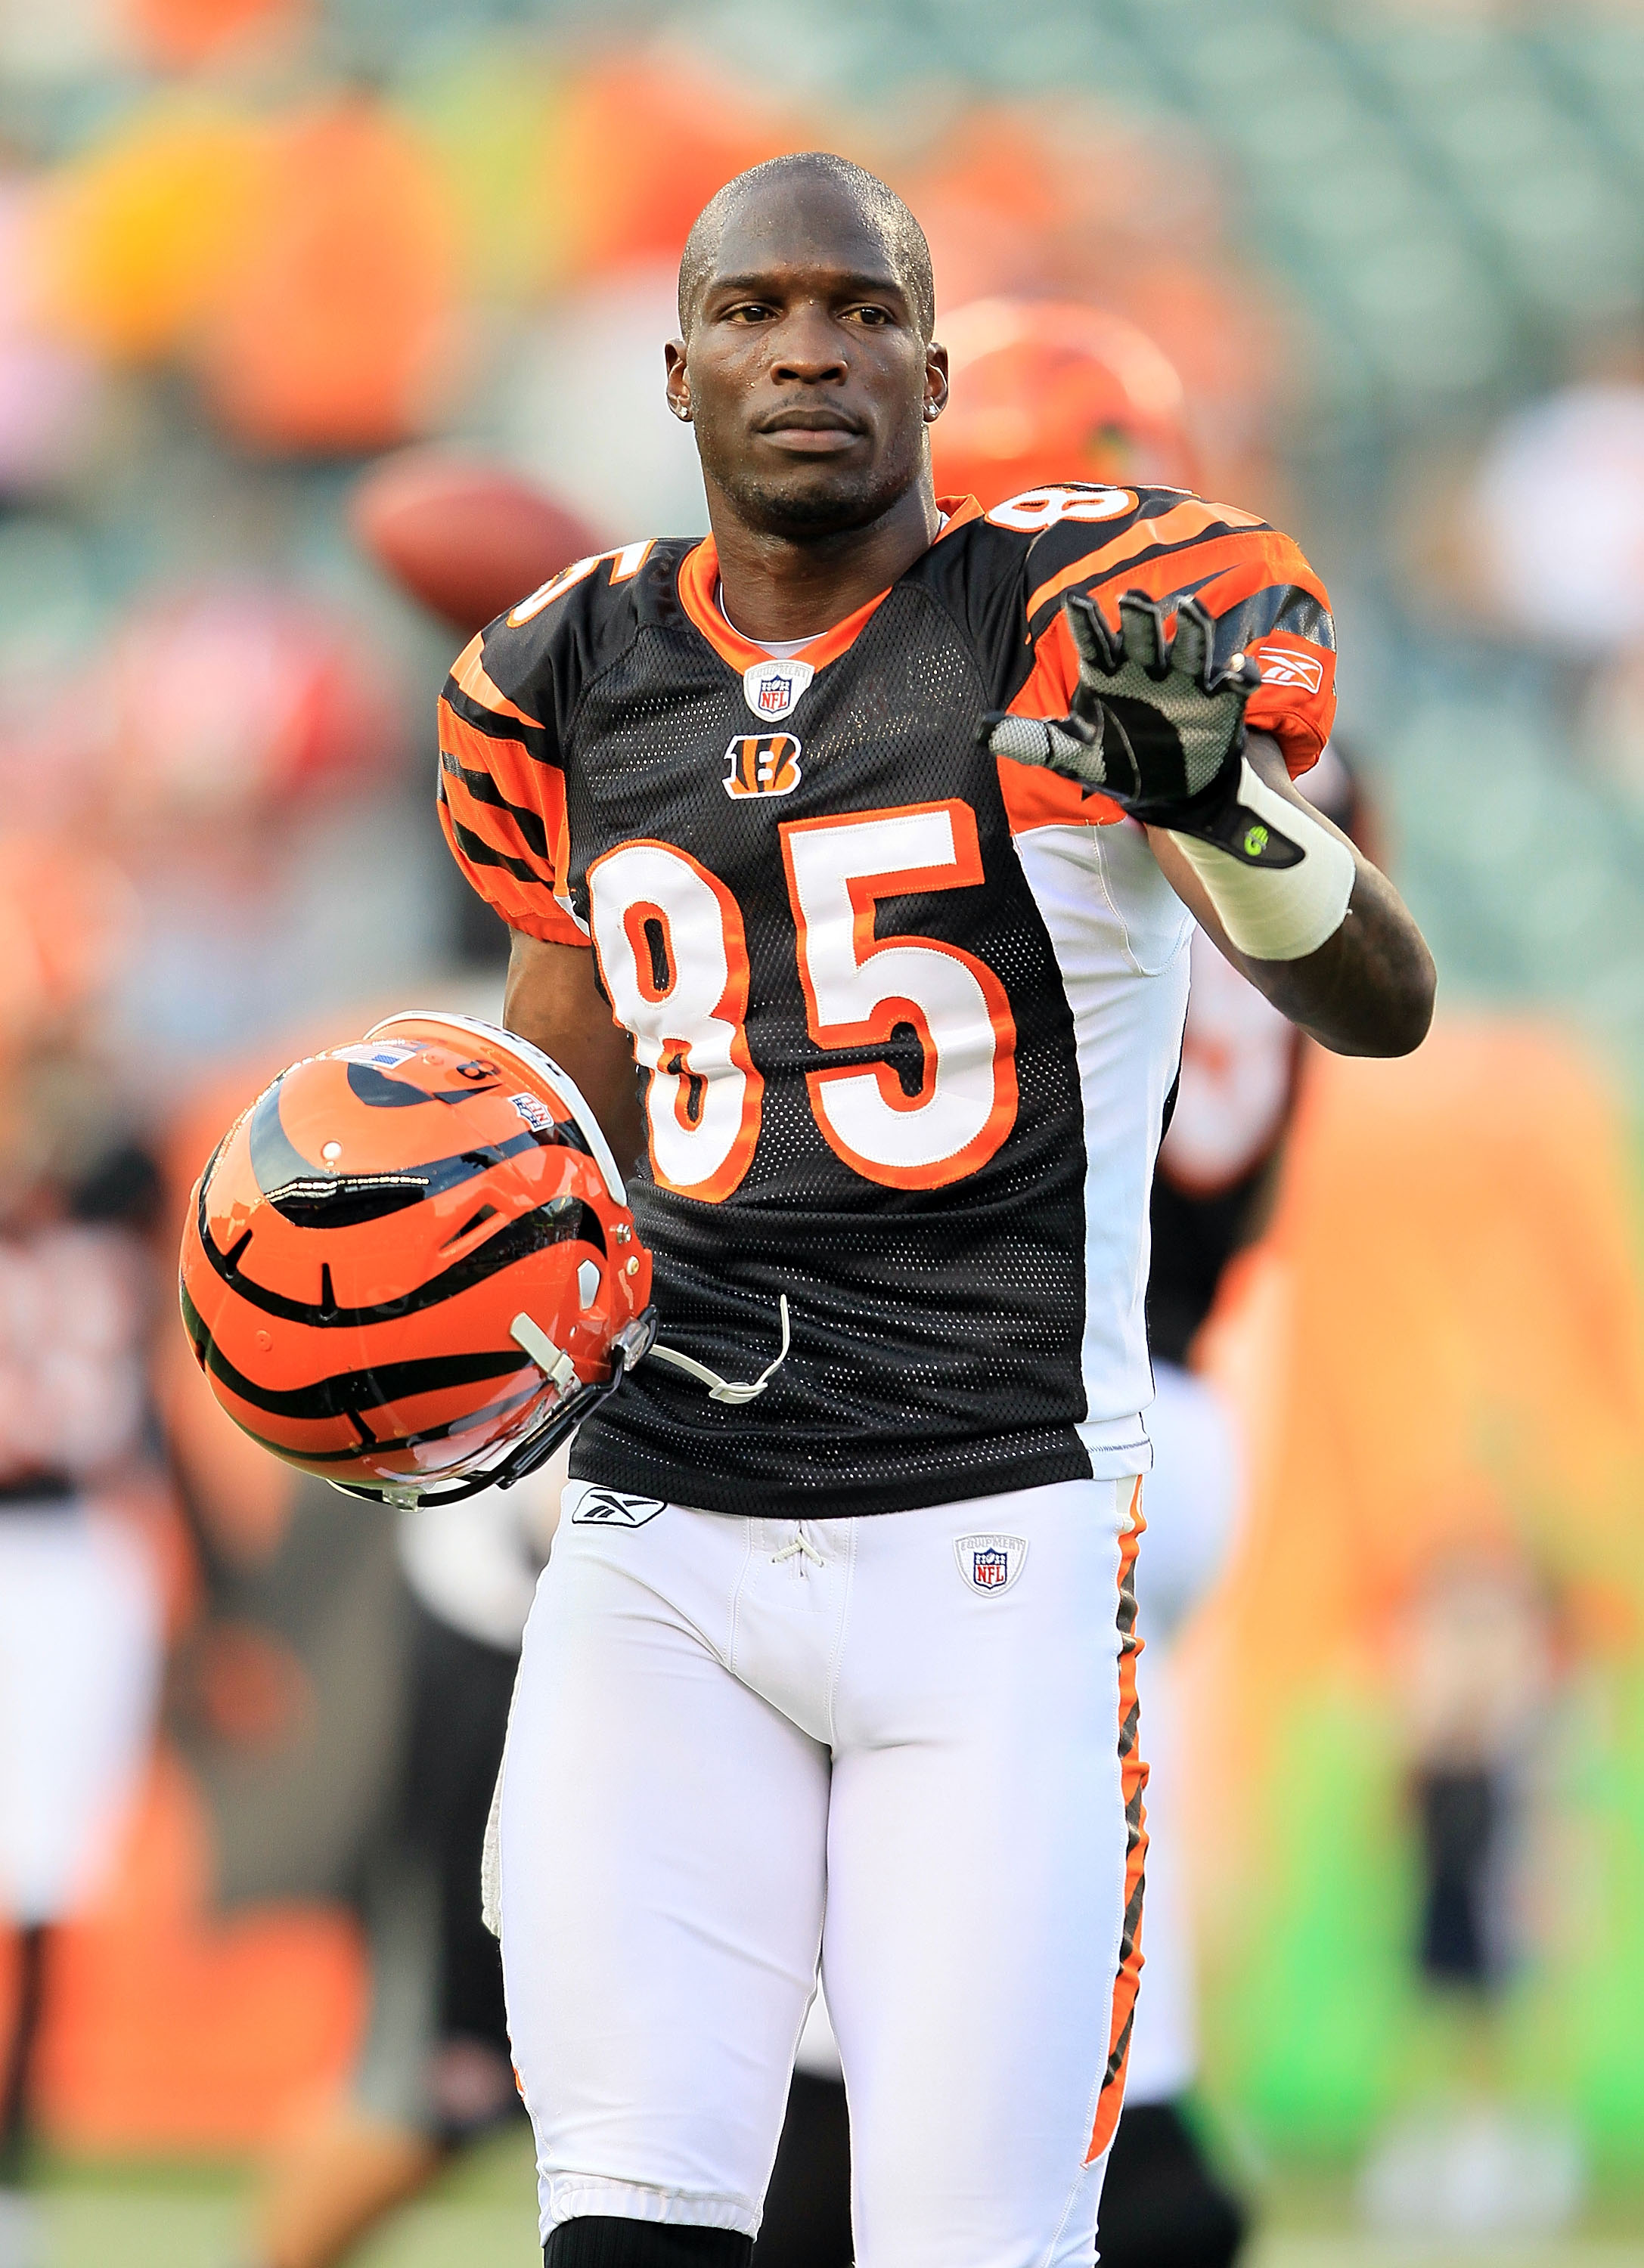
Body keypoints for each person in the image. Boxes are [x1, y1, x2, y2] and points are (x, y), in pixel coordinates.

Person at [435, 151, 1435, 2267]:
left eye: (864, 309)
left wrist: (1224, 811)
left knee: (969, 2243)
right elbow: (556, 1125)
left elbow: (1384, 1002)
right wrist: (432, 1332)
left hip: (988, 1537)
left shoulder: (1062, 619)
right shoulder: (564, 672)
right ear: (680, 363)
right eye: (766, 309)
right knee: (624, 2224)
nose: (814, 347)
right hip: (664, 1531)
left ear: (933, 367)